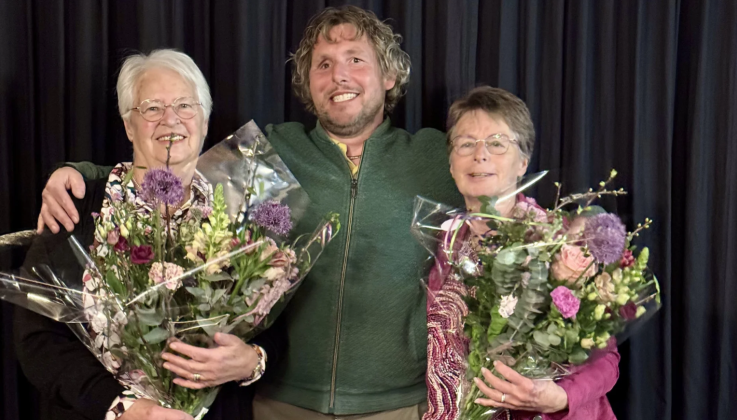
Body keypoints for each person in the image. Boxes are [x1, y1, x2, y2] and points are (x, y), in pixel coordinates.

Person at [34, 6, 463, 419]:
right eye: (323, 64)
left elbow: (502, 195)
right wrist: (78, 174)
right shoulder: (267, 153)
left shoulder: (437, 158)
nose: (340, 76)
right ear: (308, 83)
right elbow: (165, 169)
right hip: (282, 402)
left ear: (389, 75)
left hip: (399, 405)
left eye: (356, 59)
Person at [14, 49, 275, 420]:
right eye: (152, 108)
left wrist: (253, 361)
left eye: (186, 105)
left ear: (204, 119)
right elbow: (37, 339)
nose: (171, 120)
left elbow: (277, 322)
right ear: (128, 125)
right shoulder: (79, 203)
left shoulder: (241, 209)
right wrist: (122, 407)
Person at [424, 86, 620, 420]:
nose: (480, 155)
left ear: (523, 162)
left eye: (497, 143)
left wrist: (560, 396)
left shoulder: (560, 241)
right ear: (452, 162)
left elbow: (606, 360)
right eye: (466, 144)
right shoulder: (446, 241)